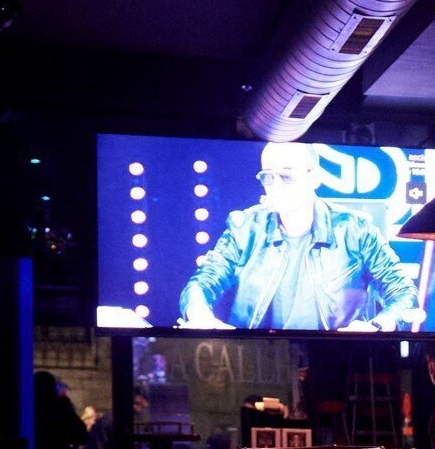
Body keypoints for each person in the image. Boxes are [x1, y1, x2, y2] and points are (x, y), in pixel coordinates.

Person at [179, 141, 421, 332]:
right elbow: (201, 284)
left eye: (286, 176)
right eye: (267, 176)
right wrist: (200, 317)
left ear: (313, 177)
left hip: (338, 357)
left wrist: (376, 327)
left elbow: (404, 293)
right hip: (256, 357)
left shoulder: (355, 230)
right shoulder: (245, 227)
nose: (275, 185)